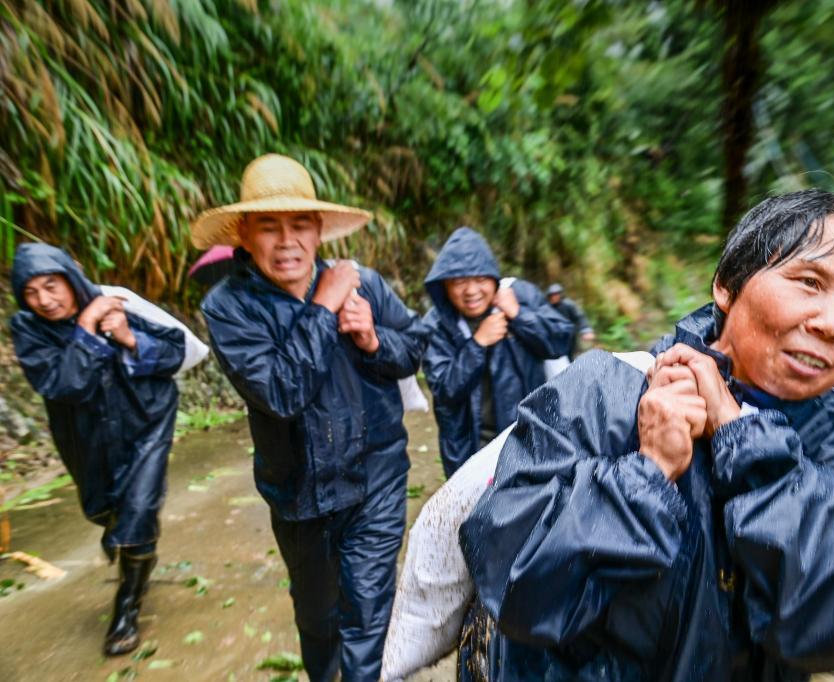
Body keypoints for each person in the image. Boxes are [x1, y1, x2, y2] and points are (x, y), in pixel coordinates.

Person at [458, 190, 834, 680]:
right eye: (809, 281)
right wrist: (645, 473)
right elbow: (517, 588)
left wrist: (745, 439)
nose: (833, 323)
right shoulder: (603, 392)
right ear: (728, 286)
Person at [194, 154, 428, 682]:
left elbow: (414, 348)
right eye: (269, 227)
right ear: (245, 236)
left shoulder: (362, 281)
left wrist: (372, 338)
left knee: (368, 616)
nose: (287, 241)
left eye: (300, 224)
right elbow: (280, 392)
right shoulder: (228, 308)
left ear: (319, 231)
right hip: (299, 494)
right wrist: (323, 310)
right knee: (320, 621)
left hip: (376, 479)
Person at [9, 243, 187, 656]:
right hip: (84, 435)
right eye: (32, 292)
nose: (44, 300)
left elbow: (175, 350)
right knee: (101, 509)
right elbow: (65, 384)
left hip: (145, 423)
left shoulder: (119, 302)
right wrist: (87, 326)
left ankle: (126, 609)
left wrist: (127, 336)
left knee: (138, 514)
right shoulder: (29, 329)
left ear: (71, 278)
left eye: (51, 286)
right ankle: (124, 536)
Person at [422, 227, 573, 478]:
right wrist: (478, 343)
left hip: (529, 441)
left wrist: (519, 315)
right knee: (477, 515)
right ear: (444, 286)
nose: (471, 291)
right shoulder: (436, 325)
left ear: (494, 278)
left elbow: (561, 340)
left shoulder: (521, 296)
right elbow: (445, 390)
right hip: (469, 449)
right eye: (459, 281)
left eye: (480, 279)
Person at [546, 283, 595, 357]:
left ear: (560, 294)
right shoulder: (547, 307)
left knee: (572, 355)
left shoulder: (568, 304)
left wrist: (585, 330)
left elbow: (579, 316)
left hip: (570, 336)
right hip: (556, 338)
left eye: (556, 294)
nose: (554, 297)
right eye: (552, 295)